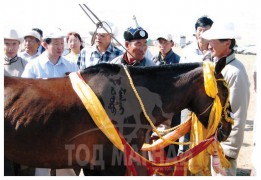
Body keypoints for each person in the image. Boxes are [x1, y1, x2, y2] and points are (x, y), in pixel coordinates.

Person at [22, 28, 78, 176]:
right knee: (42, 156)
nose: (60, 47)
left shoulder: (71, 65)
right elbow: (25, 92)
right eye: (56, 43)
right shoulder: (33, 66)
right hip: (42, 119)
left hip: (65, 120)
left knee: (64, 156)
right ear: (45, 45)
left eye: (62, 43)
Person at [202, 21, 250, 176]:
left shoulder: (235, 72)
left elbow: (237, 114)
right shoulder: (217, 66)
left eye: (212, 42)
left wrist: (229, 151)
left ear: (227, 43)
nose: (209, 46)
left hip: (223, 150)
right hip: (212, 144)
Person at [178, 16, 214, 155]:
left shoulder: (215, 52)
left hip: (208, 103)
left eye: (206, 30)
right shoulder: (187, 51)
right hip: (187, 103)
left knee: (205, 138)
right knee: (184, 137)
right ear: (195, 31)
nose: (203, 33)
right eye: (200, 30)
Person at [4, 29, 28, 176]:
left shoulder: (26, 64)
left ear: (19, 45)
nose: (10, 47)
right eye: (7, 43)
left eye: (14, 44)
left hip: (21, 115)